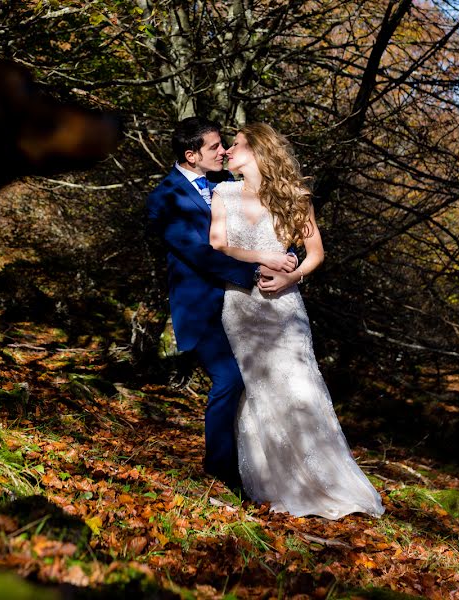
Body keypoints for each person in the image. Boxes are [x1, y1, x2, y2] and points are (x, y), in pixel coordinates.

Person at [209, 122, 384, 519]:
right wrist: (264, 258)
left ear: (258, 151)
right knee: (258, 390)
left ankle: (327, 481)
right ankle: (273, 485)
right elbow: (218, 244)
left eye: (235, 145)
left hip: (284, 307)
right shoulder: (223, 192)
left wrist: (291, 274)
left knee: (301, 387)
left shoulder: (294, 197)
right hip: (241, 304)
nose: (228, 152)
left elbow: (315, 252)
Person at [146, 117, 295, 488]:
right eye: (214, 147)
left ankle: (268, 469)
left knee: (266, 379)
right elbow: (200, 254)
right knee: (228, 377)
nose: (223, 150)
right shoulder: (164, 199)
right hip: (204, 310)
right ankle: (220, 469)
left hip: (249, 305)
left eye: (224, 144)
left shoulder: (227, 185)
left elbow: (260, 220)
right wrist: (258, 268)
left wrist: (286, 258)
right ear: (191, 155)